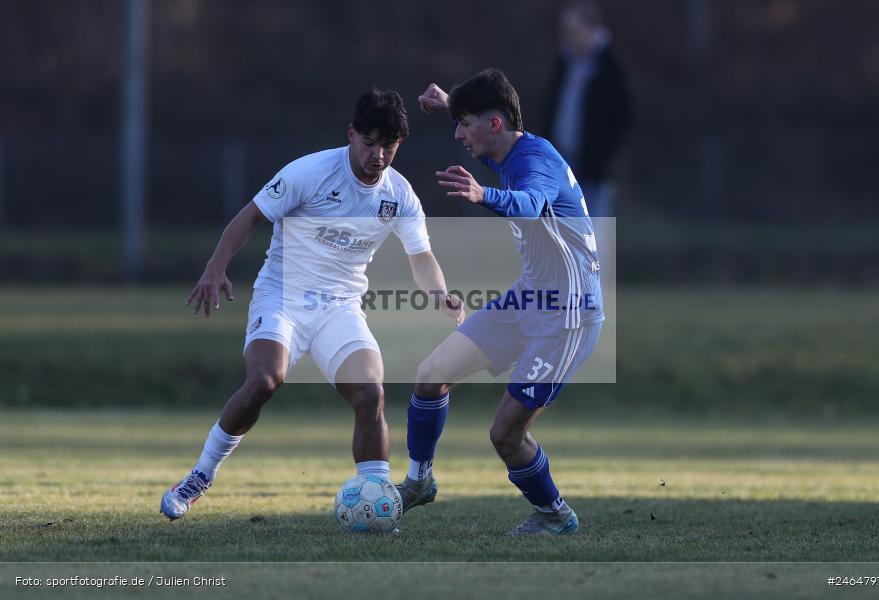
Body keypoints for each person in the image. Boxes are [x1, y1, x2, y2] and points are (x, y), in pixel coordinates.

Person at [160, 89, 464, 521]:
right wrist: (215, 267)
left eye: (388, 146)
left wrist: (440, 292)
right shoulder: (311, 172)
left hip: (340, 306)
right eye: (369, 142)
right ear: (351, 134)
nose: (378, 155)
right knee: (265, 381)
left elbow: (421, 257)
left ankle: (376, 500)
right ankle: (199, 477)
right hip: (282, 296)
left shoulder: (399, 195)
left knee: (370, 394)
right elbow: (250, 215)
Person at [398, 69, 604, 535]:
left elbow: (530, 202)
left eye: (463, 124)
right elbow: (492, 135)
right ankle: (419, 481)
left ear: (493, 125)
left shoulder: (537, 164)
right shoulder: (508, 145)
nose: (457, 134)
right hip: (529, 298)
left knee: (506, 435)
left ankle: (555, 515)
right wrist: (453, 104)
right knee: (432, 375)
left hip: (567, 316)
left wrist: (481, 194)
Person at [541, 0, 632, 217]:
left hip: (592, 166)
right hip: (561, 158)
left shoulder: (609, 68)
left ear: (590, 29)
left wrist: (603, 154)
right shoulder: (564, 63)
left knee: (594, 228)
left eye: (573, 30)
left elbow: (623, 115)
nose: (567, 37)